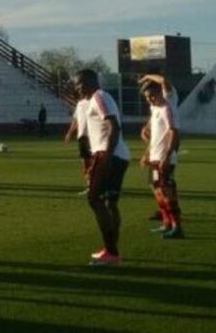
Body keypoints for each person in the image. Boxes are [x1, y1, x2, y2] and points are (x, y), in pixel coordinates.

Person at [74, 69, 130, 267]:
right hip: (117, 154)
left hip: (108, 154)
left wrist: (106, 155)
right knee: (109, 202)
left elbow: (113, 125)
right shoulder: (96, 99)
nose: (77, 88)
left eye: (79, 83)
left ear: (90, 81)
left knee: (94, 198)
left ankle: (111, 252)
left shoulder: (99, 96)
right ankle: (111, 248)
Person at [140, 80, 183, 238]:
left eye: (152, 95)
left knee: (167, 192)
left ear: (160, 92)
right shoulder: (155, 109)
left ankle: (177, 227)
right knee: (157, 190)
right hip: (155, 157)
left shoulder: (166, 108)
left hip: (164, 158)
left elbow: (173, 132)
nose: (149, 99)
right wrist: (147, 154)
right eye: (146, 97)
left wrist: (167, 155)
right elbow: (155, 137)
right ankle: (166, 223)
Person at [63, 88, 91, 195]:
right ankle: (90, 186)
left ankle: (100, 186)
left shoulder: (93, 102)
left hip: (93, 137)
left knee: (95, 163)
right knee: (85, 164)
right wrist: (69, 133)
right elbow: (76, 120)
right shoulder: (79, 104)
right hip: (82, 137)